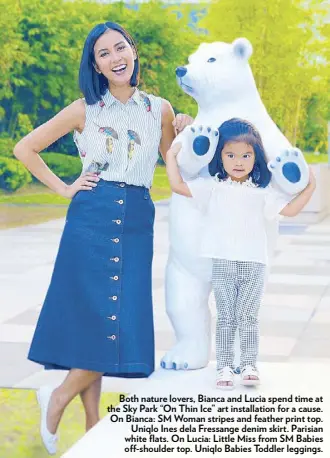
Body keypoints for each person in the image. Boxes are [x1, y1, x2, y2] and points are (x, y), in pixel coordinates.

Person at [13, 21, 193, 454]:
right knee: (95, 316)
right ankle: (83, 416)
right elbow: (25, 148)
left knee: (117, 316)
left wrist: (186, 130)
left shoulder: (161, 109)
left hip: (136, 216)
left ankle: (59, 397)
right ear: (95, 66)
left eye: (120, 47)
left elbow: (174, 166)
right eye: (104, 54)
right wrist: (64, 188)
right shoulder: (84, 109)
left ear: (133, 50)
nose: (116, 58)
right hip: (91, 214)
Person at [166, 118, 316, 390]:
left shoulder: (263, 192)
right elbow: (178, 186)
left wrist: (310, 187)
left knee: (248, 316)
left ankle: (248, 364)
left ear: (255, 157)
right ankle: (223, 366)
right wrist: (171, 155)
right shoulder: (211, 186)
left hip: (254, 263)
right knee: (226, 317)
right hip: (223, 262)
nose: (238, 161)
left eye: (246, 155)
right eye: (230, 154)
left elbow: (291, 210)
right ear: (219, 156)